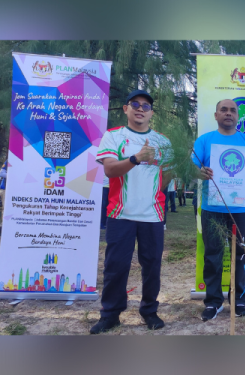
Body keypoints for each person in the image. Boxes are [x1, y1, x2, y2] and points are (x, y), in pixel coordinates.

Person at [90, 89, 172, 334]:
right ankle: (111, 315)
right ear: (125, 109)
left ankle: (149, 311)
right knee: (116, 266)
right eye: (135, 104)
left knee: (152, 266)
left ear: (151, 113)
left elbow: (167, 176)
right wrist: (136, 158)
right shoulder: (114, 136)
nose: (140, 109)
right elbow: (110, 171)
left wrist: (153, 190)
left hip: (152, 215)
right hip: (120, 213)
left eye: (146, 106)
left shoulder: (163, 141)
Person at [192, 99, 245, 322]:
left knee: (241, 255)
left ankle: (239, 301)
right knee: (213, 255)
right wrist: (199, 172)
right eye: (223, 110)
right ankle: (213, 302)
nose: (228, 113)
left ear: (237, 116)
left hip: (240, 206)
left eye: (233, 110)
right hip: (213, 206)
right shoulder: (205, 141)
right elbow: (192, 168)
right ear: (216, 115)